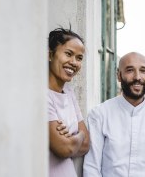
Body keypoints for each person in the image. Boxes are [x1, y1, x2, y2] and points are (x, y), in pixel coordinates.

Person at [83, 52, 145, 177]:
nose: (137, 77)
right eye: (130, 70)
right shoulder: (99, 114)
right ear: (119, 76)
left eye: (143, 71)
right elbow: (91, 167)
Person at [48, 26, 90, 177]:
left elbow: (86, 145)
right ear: (50, 55)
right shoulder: (41, 96)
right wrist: (79, 135)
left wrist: (72, 139)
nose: (74, 62)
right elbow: (64, 148)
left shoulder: (69, 93)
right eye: (68, 54)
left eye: (79, 58)